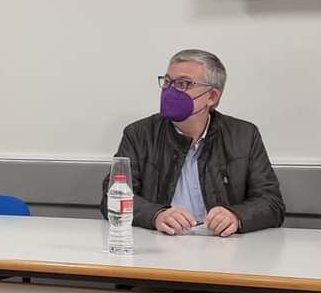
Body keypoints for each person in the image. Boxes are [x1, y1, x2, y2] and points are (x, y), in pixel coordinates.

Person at [100, 49, 285, 235]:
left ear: (212, 96)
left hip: (221, 245)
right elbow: (111, 198)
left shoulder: (244, 136)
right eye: (167, 82)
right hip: (161, 242)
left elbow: (271, 202)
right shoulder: (139, 134)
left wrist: (236, 216)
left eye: (183, 84)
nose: (170, 91)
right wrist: (156, 215)